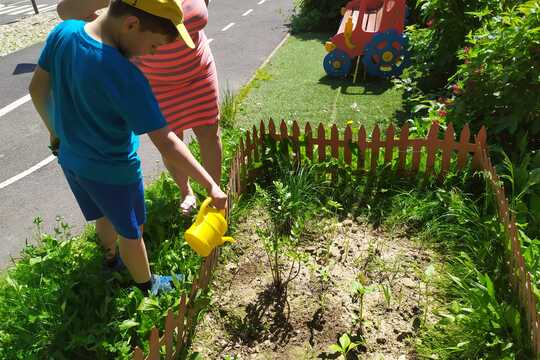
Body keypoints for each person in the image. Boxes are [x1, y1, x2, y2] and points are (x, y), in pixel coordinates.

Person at [29, 0, 227, 295]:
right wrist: (210, 185)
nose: (153, 53)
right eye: (155, 45)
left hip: (70, 159)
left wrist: (55, 134)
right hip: (114, 170)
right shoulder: (127, 76)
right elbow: (167, 141)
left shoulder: (65, 33)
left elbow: (37, 89)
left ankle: (110, 259)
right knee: (132, 233)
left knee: (101, 215)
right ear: (132, 25)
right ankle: (148, 286)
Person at [58, 0, 222, 215]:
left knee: (209, 133)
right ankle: (186, 192)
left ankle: (215, 196)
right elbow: (66, 11)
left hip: (198, 70)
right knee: (172, 140)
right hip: (154, 82)